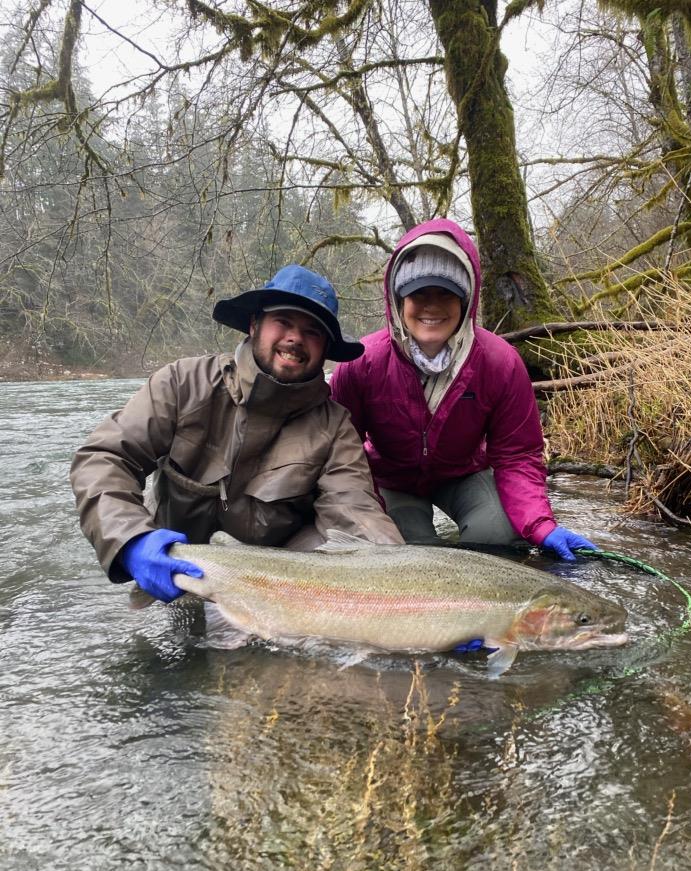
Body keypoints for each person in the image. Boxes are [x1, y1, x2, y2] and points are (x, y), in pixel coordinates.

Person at [70, 264, 403, 603]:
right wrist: (130, 540)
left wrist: (412, 590)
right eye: (284, 322)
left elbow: (356, 514)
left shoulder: (334, 428)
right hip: (178, 570)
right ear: (254, 324)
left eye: (313, 331)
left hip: (275, 585)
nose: (295, 338)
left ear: (325, 349)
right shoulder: (183, 383)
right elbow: (105, 457)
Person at [330, 218, 597, 561]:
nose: (432, 305)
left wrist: (540, 524)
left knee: (500, 540)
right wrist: (364, 514)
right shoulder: (361, 363)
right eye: (418, 293)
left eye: (446, 293)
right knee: (411, 556)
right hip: (391, 479)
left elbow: (517, 456)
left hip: (462, 474)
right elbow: (340, 453)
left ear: (466, 301)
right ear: (398, 300)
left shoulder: (500, 363)